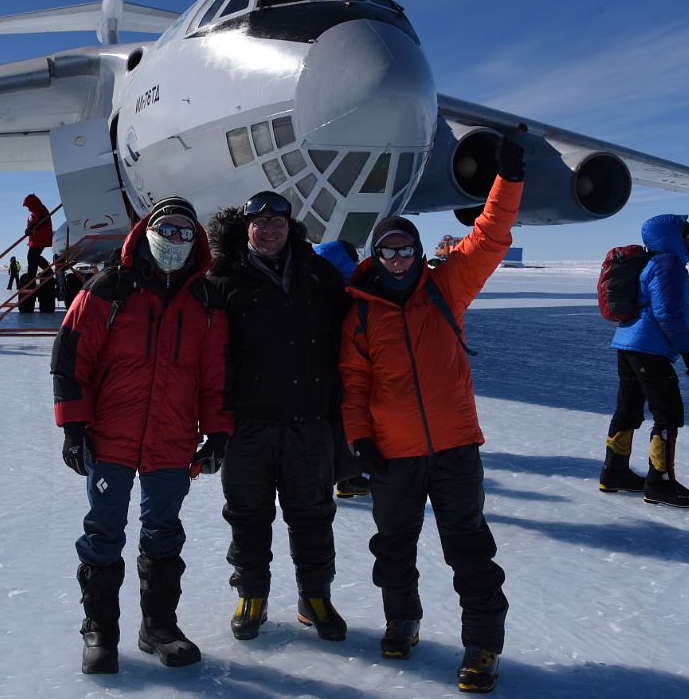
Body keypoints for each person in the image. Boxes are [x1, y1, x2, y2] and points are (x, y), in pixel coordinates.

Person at [339, 136, 524, 694]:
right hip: (394, 453)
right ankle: (403, 620)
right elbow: (354, 384)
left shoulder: (446, 287)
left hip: (455, 448)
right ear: (377, 255)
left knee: (468, 547)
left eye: (407, 250)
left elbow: (489, 237)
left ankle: (482, 647)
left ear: (420, 253)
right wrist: (359, 439)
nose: (398, 260)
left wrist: (507, 181)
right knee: (393, 545)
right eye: (389, 251)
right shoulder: (361, 315)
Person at [51, 196, 232, 675]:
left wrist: (216, 433)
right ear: (147, 232)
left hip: (172, 440)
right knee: (103, 530)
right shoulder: (109, 288)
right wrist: (73, 427)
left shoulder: (206, 300)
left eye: (184, 232)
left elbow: (217, 376)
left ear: (196, 241)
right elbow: (72, 358)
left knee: (164, 531)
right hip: (110, 436)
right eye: (166, 229)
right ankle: (100, 633)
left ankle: (158, 628)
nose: (174, 240)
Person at [206, 190, 351, 643]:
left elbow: (351, 341)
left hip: (309, 422)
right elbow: (206, 357)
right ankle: (252, 595)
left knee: (313, 514)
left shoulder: (318, 274)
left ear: (291, 228)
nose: (268, 232)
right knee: (247, 515)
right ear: (246, 228)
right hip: (248, 424)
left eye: (277, 224)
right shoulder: (223, 279)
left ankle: (316, 596)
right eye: (259, 225)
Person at [601, 215, 689, 508]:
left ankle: (614, 471)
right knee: (668, 412)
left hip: (629, 343)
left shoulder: (655, 262)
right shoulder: (667, 265)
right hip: (650, 347)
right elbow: (668, 312)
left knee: (628, 409)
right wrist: (686, 350)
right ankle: (660, 482)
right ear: (672, 237)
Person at [314, 237, 368, 499]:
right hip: (345, 366)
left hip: (319, 370)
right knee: (347, 422)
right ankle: (348, 479)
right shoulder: (350, 282)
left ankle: (340, 480)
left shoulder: (311, 274)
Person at [21, 194, 55, 312]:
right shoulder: (36, 211)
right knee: (33, 256)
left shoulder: (40, 210)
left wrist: (31, 228)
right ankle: (34, 276)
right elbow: (36, 221)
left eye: (29, 206)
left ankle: (32, 277)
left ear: (33, 204)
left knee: (32, 256)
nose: (29, 209)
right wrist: (30, 229)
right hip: (36, 239)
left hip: (40, 239)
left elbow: (41, 220)